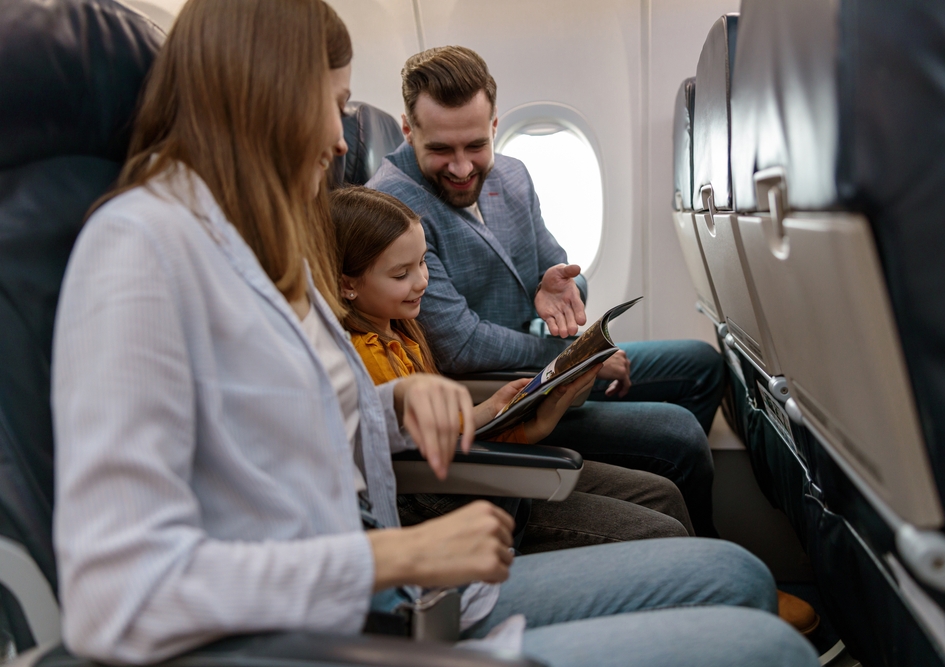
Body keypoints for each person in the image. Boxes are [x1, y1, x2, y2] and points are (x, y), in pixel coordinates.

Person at [51, 1, 819, 664]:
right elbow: (116, 593)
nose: (339, 137)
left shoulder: (254, 241)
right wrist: (397, 552)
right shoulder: (140, 250)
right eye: (333, 103)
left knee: (737, 576)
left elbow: (301, 428)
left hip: (400, 595)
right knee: (767, 647)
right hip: (334, 631)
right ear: (266, 96)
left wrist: (401, 399)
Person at [367, 45, 725, 538]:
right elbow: (462, 343)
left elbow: (560, 266)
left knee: (701, 365)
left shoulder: (512, 174)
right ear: (409, 132)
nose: (462, 168)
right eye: (440, 150)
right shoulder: (391, 208)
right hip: (501, 388)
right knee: (678, 436)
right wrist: (577, 356)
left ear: (495, 124)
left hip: (544, 364)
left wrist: (562, 284)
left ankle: (666, 540)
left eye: (475, 145)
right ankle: (701, 562)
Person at [327, 184, 694, 551]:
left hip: (468, 468)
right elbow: (423, 452)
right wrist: (524, 430)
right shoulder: (367, 355)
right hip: (448, 497)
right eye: (401, 274)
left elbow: (439, 430)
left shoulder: (400, 331)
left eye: (422, 262)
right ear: (348, 286)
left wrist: (498, 410)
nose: (422, 281)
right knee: (663, 527)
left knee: (662, 493)